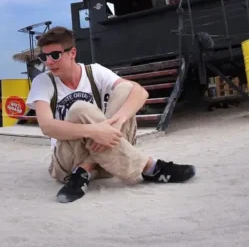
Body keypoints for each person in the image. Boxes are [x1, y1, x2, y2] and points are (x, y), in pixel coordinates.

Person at [25, 26, 196, 203]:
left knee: (126, 88)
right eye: (43, 57)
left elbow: (140, 92)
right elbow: (47, 126)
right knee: (80, 109)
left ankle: (85, 170)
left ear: (72, 52)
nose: (49, 62)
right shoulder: (43, 81)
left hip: (107, 157)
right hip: (68, 163)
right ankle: (149, 166)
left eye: (55, 55)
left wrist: (116, 122)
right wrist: (94, 131)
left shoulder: (94, 72)